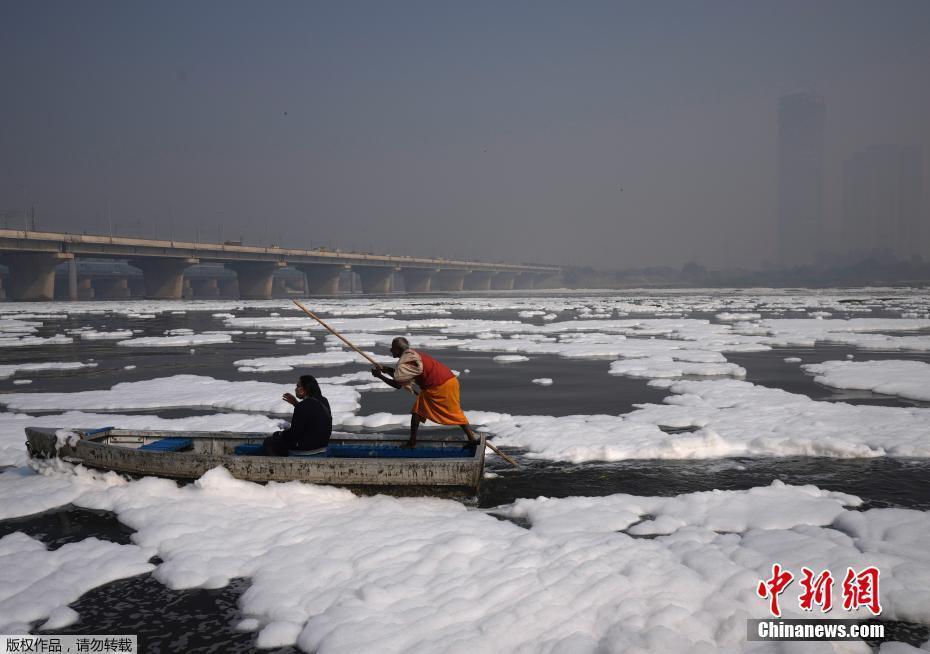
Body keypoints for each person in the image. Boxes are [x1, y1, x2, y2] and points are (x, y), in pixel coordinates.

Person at [371, 337, 478, 447]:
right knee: (418, 412)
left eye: (392, 348)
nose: (390, 350)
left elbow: (397, 384)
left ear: (398, 349)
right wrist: (386, 369)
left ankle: (472, 440)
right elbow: (402, 375)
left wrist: (380, 376)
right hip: (448, 381)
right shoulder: (412, 355)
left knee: (453, 412)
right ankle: (412, 442)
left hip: (441, 385)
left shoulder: (405, 363)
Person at [263, 374, 332, 456]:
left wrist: (280, 434)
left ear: (303, 390)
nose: (295, 389)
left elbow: (294, 434)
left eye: (297, 386)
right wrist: (296, 403)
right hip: (322, 446)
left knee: (269, 441)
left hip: (307, 449)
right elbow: (312, 412)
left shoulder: (302, 406)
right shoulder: (324, 400)